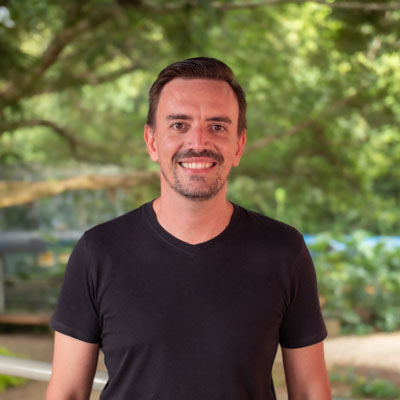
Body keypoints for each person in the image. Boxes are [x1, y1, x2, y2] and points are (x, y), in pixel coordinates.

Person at [46, 57, 331, 400]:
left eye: (217, 126)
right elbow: (67, 392)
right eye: (179, 125)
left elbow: (311, 391)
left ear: (239, 145)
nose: (198, 142)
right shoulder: (98, 251)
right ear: (152, 142)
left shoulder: (283, 250)